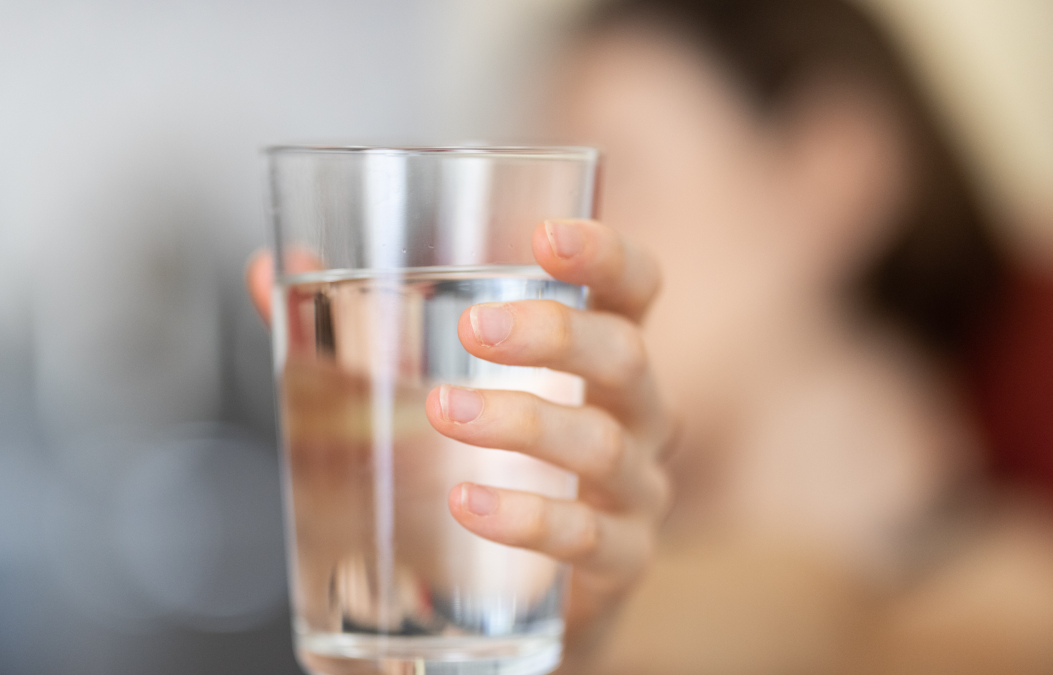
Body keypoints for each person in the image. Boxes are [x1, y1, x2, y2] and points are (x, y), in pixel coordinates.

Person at [248, 0, 1053, 672]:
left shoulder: (1004, 599)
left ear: (834, 172)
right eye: (523, 195)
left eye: (617, 173)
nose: (529, 245)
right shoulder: (536, 584)